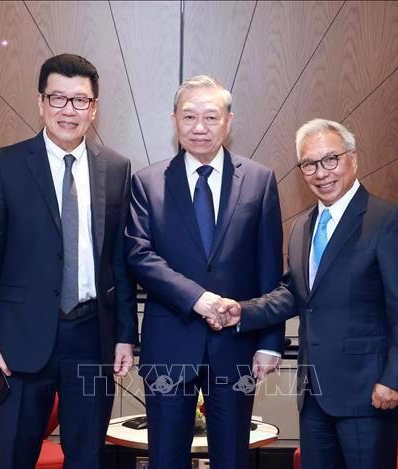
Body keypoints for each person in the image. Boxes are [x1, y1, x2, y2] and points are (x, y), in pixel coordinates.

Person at [212, 119, 398, 469]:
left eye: (330, 159)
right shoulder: (303, 227)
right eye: (309, 164)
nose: (321, 172)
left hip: (368, 393)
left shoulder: (387, 220)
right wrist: (242, 312)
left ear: (353, 158)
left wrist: (394, 380)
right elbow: (295, 293)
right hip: (314, 394)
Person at [0, 53, 137, 469]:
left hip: (90, 336)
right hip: (18, 340)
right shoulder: (5, 165)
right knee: (13, 458)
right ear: (40, 102)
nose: (68, 110)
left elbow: (120, 260)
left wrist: (125, 335)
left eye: (80, 101)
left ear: (94, 108)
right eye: (57, 98)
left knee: (87, 458)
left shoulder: (115, 168)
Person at [124, 75, 285, 469]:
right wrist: (199, 299)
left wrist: (270, 342)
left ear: (228, 122)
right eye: (189, 117)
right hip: (170, 343)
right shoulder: (147, 182)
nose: (199, 127)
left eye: (211, 117)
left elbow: (269, 267)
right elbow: (139, 256)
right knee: (165, 458)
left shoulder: (259, 180)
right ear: (174, 120)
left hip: (236, 346)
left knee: (231, 457)